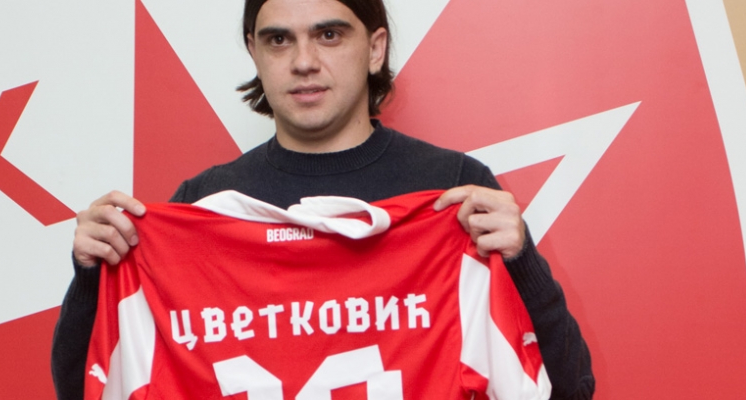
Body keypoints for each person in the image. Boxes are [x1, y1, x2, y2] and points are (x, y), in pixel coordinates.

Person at [51, 0, 595, 398]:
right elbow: (85, 389)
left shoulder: (450, 191)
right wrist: (92, 277)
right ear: (254, 52)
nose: (304, 61)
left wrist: (520, 262)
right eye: (278, 40)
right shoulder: (203, 206)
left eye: (329, 35)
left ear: (375, 48)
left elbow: (568, 389)